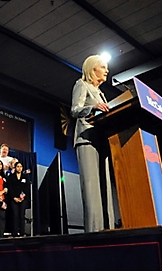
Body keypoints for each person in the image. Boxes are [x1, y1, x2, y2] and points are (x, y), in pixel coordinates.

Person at [70, 54, 115, 233]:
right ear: (92, 69)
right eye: (103, 67)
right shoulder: (82, 85)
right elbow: (74, 110)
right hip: (86, 139)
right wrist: (92, 108)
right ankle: (94, 232)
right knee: (91, 189)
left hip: (101, 140)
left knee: (105, 188)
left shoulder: (101, 93)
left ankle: (108, 229)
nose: (107, 71)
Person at [7, 161, 30, 237]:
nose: (19, 168)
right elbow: (10, 188)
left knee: (22, 215)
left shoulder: (25, 177)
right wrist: (14, 197)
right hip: (14, 199)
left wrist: (22, 196)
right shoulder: (11, 177)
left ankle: (22, 232)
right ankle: (15, 233)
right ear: (15, 167)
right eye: (18, 166)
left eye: (21, 167)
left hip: (23, 198)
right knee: (15, 215)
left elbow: (27, 188)